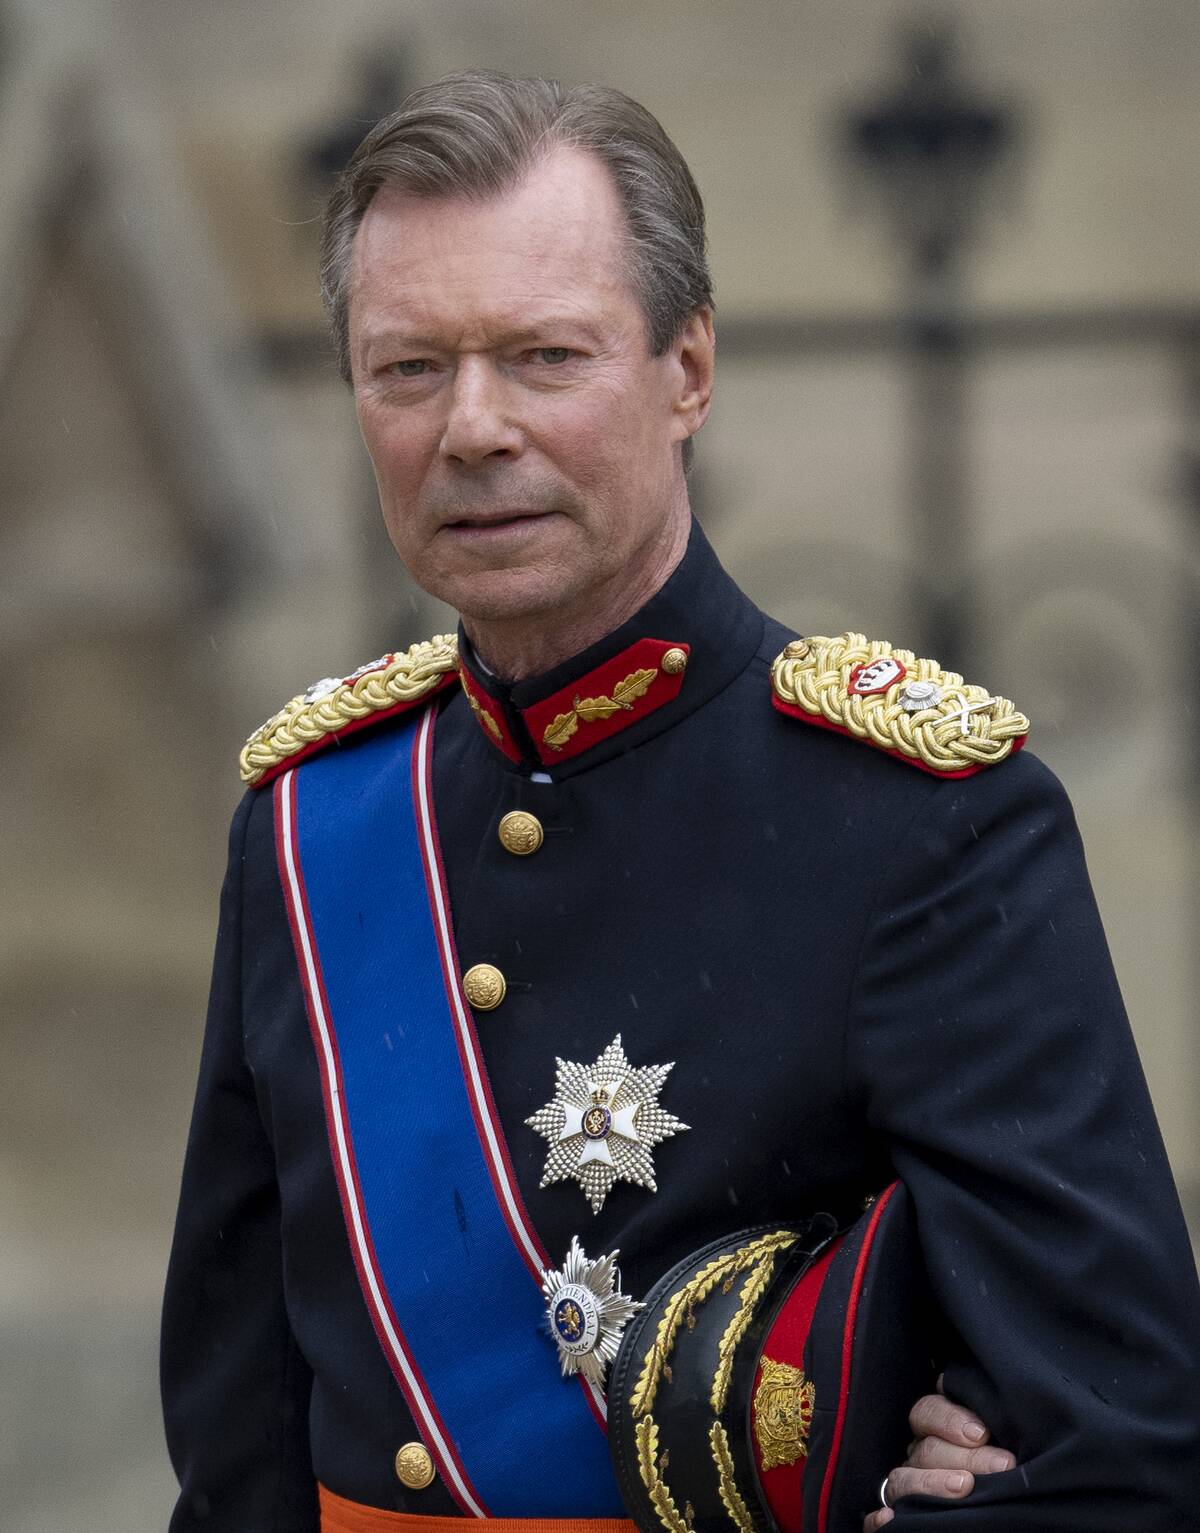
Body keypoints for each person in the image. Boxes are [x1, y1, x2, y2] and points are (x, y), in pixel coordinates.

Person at [161, 70, 1200, 1533]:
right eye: (409, 369)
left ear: (688, 370)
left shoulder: (924, 823)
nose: (471, 427)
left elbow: (1120, 1454)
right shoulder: (310, 827)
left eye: (544, 356)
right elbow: (237, 1458)